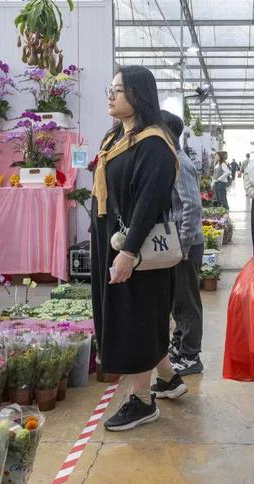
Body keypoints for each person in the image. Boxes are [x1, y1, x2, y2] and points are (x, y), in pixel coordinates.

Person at [91, 65, 187, 432]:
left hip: (137, 246)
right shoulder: (115, 137)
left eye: (119, 89)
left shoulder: (154, 143)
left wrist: (128, 253)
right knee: (138, 314)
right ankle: (167, 378)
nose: (111, 96)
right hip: (110, 239)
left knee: (135, 317)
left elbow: (148, 202)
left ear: (138, 95)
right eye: (110, 88)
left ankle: (143, 401)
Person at [160, 110, 205, 376]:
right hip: (176, 242)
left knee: (186, 300)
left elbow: (191, 207)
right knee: (178, 299)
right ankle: (180, 345)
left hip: (185, 243)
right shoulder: (171, 160)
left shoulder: (180, 162)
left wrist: (184, 247)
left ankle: (191, 356)